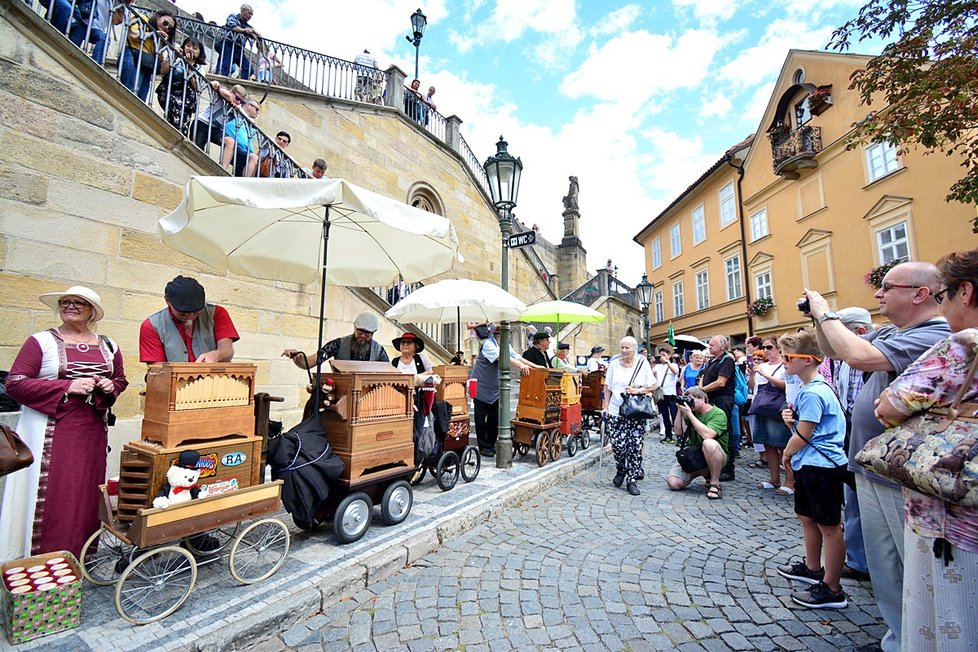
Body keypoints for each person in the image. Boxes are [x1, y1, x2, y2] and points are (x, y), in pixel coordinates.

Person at [803, 260, 950, 651]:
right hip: (873, 466)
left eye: (887, 286)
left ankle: (920, 641)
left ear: (920, 293)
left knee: (911, 568)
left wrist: (825, 311)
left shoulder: (934, 333)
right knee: (885, 568)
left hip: (902, 474)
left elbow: (859, 358)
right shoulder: (896, 331)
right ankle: (897, 639)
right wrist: (821, 322)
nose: (878, 294)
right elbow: (834, 349)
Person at [872, 249, 978, 649]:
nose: (943, 303)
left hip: (952, 521)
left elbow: (890, 405)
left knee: (949, 621)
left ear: (965, 292)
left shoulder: (964, 345)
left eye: (946, 293)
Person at [0, 286, 128, 561]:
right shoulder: (40, 342)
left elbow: (121, 380)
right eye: (65, 302)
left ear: (91, 311)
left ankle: (80, 555)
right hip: (49, 432)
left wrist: (110, 386)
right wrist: (68, 386)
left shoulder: (109, 345)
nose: (70, 306)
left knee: (85, 494)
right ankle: (43, 558)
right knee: (55, 495)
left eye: (78, 303)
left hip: (91, 433)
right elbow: (15, 384)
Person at [775, 330, 849, 609]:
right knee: (807, 516)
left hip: (821, 465)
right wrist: (789, 422)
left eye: (787, 357)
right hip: (810, 462)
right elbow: (802, 429)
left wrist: (787, 453)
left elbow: (804, 435)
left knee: (829, 526)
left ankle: (832, 587)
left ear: (806, 360)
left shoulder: (815, 391)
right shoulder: (810, 389)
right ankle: (812, 567)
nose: (783, 361)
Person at [828, 307, 875, 582]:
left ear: (859, 332)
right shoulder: (843, 360)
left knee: (869, 501)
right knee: (852, 500)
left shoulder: (867, 356)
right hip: (849, 433)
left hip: (871, 438)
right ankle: (859, 561)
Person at [602, 336, 657, 496]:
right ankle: (621, 469)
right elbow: (607, 388)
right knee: (618, 446)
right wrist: (605, 406)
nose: (624, 351)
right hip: (616, 411)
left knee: (634, 447)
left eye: (627, 348)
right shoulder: (614, 365)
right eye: (622, 348)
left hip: (636, 412)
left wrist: (637, 391)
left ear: (635, 349)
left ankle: (631, 480)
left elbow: (653, 385)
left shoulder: (642, 363)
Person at [140, 276, 239, 364]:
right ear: (167, 301)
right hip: (173, 383)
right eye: (183, 313)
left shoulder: (217, 313)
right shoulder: (152, 326)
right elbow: (158, 371)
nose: (190, 316)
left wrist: (216, 355)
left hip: (214, 381)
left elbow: (227, 351)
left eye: (196, 312)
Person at [468, 322, 532, 457]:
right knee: (481, 419)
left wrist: (536, 366)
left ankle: (491, 445)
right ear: (497, 335)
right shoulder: (488, 345)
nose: (506, 338)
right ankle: (484, 447)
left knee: (495, 418)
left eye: (507, 335)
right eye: (504, 335)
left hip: (495, 389)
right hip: (482, 387)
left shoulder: (505, 345)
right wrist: (520, 366)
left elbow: (518, 357)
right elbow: (503, 357)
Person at [748, 337, 794, 493]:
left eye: (769, 347)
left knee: (782, 445)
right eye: (764, 347)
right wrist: (753, 375)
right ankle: (774, 478)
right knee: (768, 444)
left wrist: (765, 375)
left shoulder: (785, 366)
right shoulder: (762, 365)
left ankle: (790, 481)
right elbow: (753, 387)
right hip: (761, 406)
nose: (765, 350)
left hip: (777, 407)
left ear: (778, 349)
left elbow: (784, 385)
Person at [666, 387, 728, 499]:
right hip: (694, 455)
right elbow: (679, 432)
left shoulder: (718, 413)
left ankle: (714, 483)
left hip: (716, 454)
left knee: (709, 443)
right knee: (674, 483)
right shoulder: (691, 412)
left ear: (703, 399)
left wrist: (689, 414)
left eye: (691, 400)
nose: (690, 403)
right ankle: (702, 472)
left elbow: (708, 435)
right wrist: (680, 411)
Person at [283, 312, 389, 367]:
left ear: (373, 332)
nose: (363, 336)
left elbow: (389, 375)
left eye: (368, 333)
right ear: (354, 327)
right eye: (360, 331)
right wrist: (297, 356)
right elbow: (309, 363)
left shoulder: (379, 351)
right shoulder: (338, 344)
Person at [699, 335, 737, 480]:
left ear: (722, 346)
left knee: (724, 431)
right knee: (713, 432)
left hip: (723, 400)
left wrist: (701, 390)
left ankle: (728, 468)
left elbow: (721, 382)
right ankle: (715, 464)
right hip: (713, 399)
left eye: (712, 344)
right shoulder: (713, 360)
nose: (709, 346)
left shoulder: (727, 359)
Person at [120, 8, 175, 102]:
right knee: (128, 95)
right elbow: (132, 34)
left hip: (146, 66)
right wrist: (152, 33)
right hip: (132, 57)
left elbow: (160, 60)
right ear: (157, 17)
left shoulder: (159, 37)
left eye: (170, 28)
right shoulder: (143, 19)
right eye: (165, 23)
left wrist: (161, 42)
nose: (166, 28)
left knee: (141, 101)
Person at [156, 37, 206, 136]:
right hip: (169, 93)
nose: (190, 49)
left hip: (186, 102)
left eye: (195, 48)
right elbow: (162, 70)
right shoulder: (176, 59)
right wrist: (175, 56)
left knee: (182, 125)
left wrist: (189, 66)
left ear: (199, 53)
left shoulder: (200, 70)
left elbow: (197, 87)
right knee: (177, 116)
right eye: (188, 46)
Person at [68, 0, 132, 65]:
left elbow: (117, 20)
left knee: (104, 38)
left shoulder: (120, 4)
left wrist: (114, 8)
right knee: (70, 51)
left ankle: (94, 66)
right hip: (82, 22)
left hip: (96, 29)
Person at [193, 83, 247, 152]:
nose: (238, 102)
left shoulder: (237, 108)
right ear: (231, 92)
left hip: (215, 129)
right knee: (197, 150)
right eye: (237, 98)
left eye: (241, 101)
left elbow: (249, 119)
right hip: (202, 123)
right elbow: (224, 92)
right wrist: (231, 101)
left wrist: (239, 108)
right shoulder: (221, 96)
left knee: (230, 142)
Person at [218, 4, 260, 79]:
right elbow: (233, 26)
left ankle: (237, 82)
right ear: (242, 11)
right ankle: (220, 80)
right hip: (228, 43)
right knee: (225, 65)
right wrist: (244, 30)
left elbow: (258, 36)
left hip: (238, 49)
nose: (250, 16)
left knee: (249, 69)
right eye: (249, 13)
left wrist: (254, 31)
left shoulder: (248, 26)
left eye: (252, 15)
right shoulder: (233, 17)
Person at [221, 98, 261, 177]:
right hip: (234, 147)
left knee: (255, 159)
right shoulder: (235, 111)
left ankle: (244, 183)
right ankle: (221, 170)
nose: (258, 112)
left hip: (246, 152)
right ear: (249, 105)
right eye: (256, 109)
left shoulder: (251, 124)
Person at [653, 349, 679, 442]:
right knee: (665, 415)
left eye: (664, 355)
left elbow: (676, 372)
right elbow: (651, 373)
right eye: (660, 355)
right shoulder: (657, 366)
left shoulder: (673, 365)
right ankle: (668, 435)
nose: (662, 357)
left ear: (668, 356)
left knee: (674, 414)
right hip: (661, 394)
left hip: (671, 394)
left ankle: (679, 435)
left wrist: (668, 362)